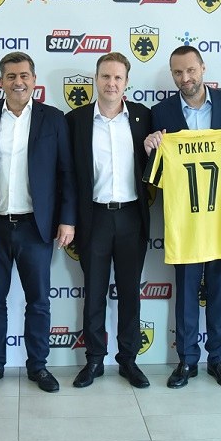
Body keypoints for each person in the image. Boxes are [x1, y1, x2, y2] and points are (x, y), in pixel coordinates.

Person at [0, 52, 75, 393]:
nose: (18, 82)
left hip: (35, 227)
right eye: (11, 76)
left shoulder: (52, 118)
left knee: (38, 302)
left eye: (24, 75)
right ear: (1, 81)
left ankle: (38, 367)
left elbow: (67, 173)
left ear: (34, 79)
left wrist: (67, 220)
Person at [143, 45, 221, 389]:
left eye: (190, 70)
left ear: (203, 68)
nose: (185, 77)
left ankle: (218, 359)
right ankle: (187, 360)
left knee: (219, 293)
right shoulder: (161, 113)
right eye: (178, 72)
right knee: (187, 294)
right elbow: (154, 172)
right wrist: (151, 146)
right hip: (185, 223)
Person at [66, 52, 152, 389]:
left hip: (132, 216)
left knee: (131, 292)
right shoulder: (75, 120)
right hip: (94, 218)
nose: (111, 83)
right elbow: (67, 176)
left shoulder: (143, 117)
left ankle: (128, 359)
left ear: (126, 82)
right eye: (105, 76)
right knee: (94, 292)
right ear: (96, 79)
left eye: (118, 77)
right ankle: (94, 360)